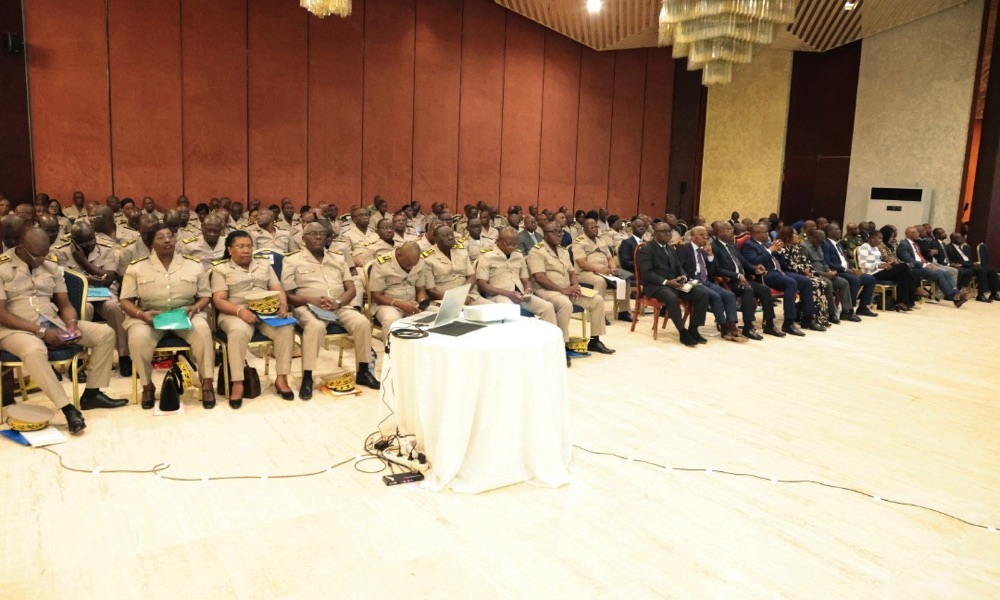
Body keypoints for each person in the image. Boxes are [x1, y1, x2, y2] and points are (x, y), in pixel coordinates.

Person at [0, 229, 127, 433]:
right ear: (21, 249)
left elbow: (65, 304)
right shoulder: (2, 268)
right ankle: (68, 409)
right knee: (34, 350)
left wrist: (72, 324)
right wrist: (41, 331)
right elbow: (2, 314)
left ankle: (92, 394)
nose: (42, 260)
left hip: (52, 323)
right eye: (37, 256)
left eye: (45, 254)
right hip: (14, 330)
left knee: (105, 334)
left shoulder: (50, 266)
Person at [119, 224, 215, 409]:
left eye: (170, 236)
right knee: (138, 337)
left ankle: (207, 383)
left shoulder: (194, 265)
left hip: (185, 313)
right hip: (150, 316)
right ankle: (147, 386)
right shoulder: (137, 267)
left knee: (203, 330)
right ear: (151, 243)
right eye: (160, 237)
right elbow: (125, 301)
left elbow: (205, 295)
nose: (167, 240)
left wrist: (196, 307)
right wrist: (142, 315)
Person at [282, 223, 380, 396]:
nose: (318, 237)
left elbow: (351, 289)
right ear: (303, 238)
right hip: (306, 306)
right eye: (313, 233)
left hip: (338, 305)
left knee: (362, 322)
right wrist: (311, 300)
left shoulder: (338, 258)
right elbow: (288, 295)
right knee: (316, 326)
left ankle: (364, 371)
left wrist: (339, 303)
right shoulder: (292, 260)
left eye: (322, 234)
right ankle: (307, 377)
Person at [211, 231, 296, 406]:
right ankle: (238, 382)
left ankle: (281, 378)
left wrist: (282, 305)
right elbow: (219, 300)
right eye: (240, 246)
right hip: (234, 313)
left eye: (249, 246)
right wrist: (240, 311)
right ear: (230, 249)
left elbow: (277, 287)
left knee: (286, 329)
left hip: (267, 311)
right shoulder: (221, 269)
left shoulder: (264, 265)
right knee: (238, 331)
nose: (246, 250)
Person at [526, 222, 614, 356]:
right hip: (547, 291)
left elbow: (572, 273)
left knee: (597, 300)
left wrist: (576, 287)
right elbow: (540, 277)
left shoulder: (563, 251)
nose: (559, 235)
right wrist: (562, 290)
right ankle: (561, 345)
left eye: (560, 232)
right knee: (565, 304)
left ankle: (594, 340)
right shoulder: (536, 251)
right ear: (545, 234)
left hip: (567, 289)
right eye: (555, 232)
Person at [56, 221, 131, 374]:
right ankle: (80, 357)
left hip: (105, 293)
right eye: (85, 243)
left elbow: (110, 277)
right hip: (80, 297)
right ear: (73, 241)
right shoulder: (61, 252)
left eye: (92, 240)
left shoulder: (106, 249)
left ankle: (124, 356)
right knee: (85, 309)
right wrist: (95, 277)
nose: (90, 245)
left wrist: (84, 263)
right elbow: (66, 281)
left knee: (115, 307)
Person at [635, 222, 711, 347]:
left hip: (674, 283)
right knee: (671, 297)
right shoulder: (646, 250)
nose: (668, 234)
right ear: (655, 234)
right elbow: (647, 274)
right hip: (656, 285)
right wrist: (666, 282)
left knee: (702, 294)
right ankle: (682, 332)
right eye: (664, 231)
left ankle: (693, 329)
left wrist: (683, 276)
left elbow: (679, 266)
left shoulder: (670, 248)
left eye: (669, 231)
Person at [711, 221, 784, 339]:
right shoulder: (714, 247)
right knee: (747, 290)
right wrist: (737, 275)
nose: (732, 232)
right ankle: (748, 326)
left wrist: (755, 269)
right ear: (719, 232)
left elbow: (744, 262)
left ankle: (769, 325)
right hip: (729, 281)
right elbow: (716, 269)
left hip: (743, 279)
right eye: (728, 230)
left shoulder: (732, 245)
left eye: (732, 229)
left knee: (764, 289)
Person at [740, 223, 816, 336]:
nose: (767, 234)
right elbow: (755, 261)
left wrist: (779, 251)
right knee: (791, 283)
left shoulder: (765, 244)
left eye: (767, 232)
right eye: (764, 232)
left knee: (806, 281)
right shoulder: (749, 245)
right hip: (767, 274)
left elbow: (778, 261)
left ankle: (807, 318)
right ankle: (788, 323)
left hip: (779, 271)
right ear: (756, 234)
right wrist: (770, 250)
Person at [676, 226, 746, 343]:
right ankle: (724, 327)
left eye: (706, 235)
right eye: (702, 235)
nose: (705, 237)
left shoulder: (704, 250)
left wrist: (710, 256)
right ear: (692, 237)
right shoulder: (684, 248)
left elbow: (711, 271)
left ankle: (732, 327)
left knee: (729, 295)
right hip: (692, 281)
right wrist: (687, 279)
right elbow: (679, 268)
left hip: (705, 281)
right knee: (715, 296)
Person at [477, 227, 558, 325]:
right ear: (498, 240)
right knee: (512, 309)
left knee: (547, 307)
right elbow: (483, 285)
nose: (511, 247)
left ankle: (547, 335)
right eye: (508, 243)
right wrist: (508, 293)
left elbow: (526, 279)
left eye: (514, 244)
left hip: (520, 295)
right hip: (498, 295)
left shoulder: (518, 255)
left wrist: (528, 289)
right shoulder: (487, 256)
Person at [368, 242, 432, 340]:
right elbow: (376, 296)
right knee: (391, 320)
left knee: (437, 314)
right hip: (388, 305)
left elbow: (420, 289)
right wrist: (401, 304)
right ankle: (390, 349)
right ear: (399, 254)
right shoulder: (381, 264)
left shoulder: (420, 262)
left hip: (412, 303)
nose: (410, 268)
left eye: (413, 265)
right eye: (407, 264)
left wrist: (421, 303)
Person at [772, 227, 831, 328]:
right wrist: (803, 271)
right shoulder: (781, 247)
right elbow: (785, 265)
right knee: (813, 283)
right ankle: (808, 317)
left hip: (800, 273)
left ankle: (818, 318)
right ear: (788, 235)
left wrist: (810, 271)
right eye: (794, 234)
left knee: (821, 282)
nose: (797, 236)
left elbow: (806, 263)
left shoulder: (799, 248)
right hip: (787, 273)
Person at [895, 226, 967, 308]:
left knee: (946, 273)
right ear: (910, 234)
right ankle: (953, 298)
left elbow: (920, 257)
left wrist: (928, 263)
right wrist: (925, 265)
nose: (918, 234)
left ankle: (957, 294)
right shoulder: (903, 245)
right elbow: (908, 260)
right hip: (914, 268)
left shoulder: (916, 244)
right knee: (939, 274)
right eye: (916, 232)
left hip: (922, 266)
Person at [855, 230, 921, 311]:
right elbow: (862, 264)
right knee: (904, 266)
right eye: (879, 238)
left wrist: (885, 264)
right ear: (872, 238)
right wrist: (878, 265)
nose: (881, 241)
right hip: (871, 273)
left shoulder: (875, 248)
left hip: (880, 270)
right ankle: (914, 290)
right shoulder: (864, 247)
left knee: (903, 274)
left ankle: (903, 302)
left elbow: (877, 261)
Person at [822, 224, 879, 318]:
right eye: (837, 229)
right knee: (854, 280)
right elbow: (828, 262)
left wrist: (852, 268)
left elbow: (845, 259)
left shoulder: (838, 244)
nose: (840, 231)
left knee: (870, 279)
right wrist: (845, 269)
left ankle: (863, 307)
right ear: (829, 232)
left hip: (847, 270)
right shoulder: (826, 245)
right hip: (838, 272)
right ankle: (849, 310)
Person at [423, 225, 489, 304]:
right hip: (444, 300)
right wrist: (456, 298)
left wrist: (461, 294)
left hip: (468, 295)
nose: (451, 237)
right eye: (446, 236)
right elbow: (431, 291)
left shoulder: (461, 251)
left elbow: (472, 277)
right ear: (437, 240)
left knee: (494, 308)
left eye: (452, 234)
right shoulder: (428, 259)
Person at [802, 230, 856, 322]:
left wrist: (829, 271)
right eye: (820, 241)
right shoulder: (804, 247)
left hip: (825, 273)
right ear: (813, 238)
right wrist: (824, 274)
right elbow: (807, 266)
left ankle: (847, 311)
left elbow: (823, 262)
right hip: (814, 275)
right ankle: (832, 313)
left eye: (823, 241)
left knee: (843, 282)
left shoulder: (818, 246)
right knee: (828, 283)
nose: (822, 243)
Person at [947, 232, 999, 301]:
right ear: (953, 239)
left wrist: (972, 263)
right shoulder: (949, 248)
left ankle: (993, 293)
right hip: (963, 266)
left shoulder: (960, 247)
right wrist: (963, 264)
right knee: (981, 270)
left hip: (969, 265)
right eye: (959, 238)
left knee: (991, 271)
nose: (962, 239)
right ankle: (980, 295)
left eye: (962, 237)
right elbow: (952, 260)